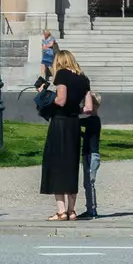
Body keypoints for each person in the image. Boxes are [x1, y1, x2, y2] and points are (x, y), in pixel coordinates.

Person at [39, 50, 90, 221]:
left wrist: (45, 97)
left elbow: (61, 100)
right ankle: (72, 210)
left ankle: (61, 211)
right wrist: (75, 109)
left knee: (56, 164)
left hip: (59, 123)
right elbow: (89, 108)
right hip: (74, 124)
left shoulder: (61, 75)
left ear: (59, 62)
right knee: (71, 165)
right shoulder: (84, 79)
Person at [78, 88, 103, 220]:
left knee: (89, 183)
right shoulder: (93, 121)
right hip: (88, 153)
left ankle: (92, 210)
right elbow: (87, 135)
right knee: (87, 183)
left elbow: (79, 122)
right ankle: (90, 208)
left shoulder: (93, 120)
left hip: (92, 155)